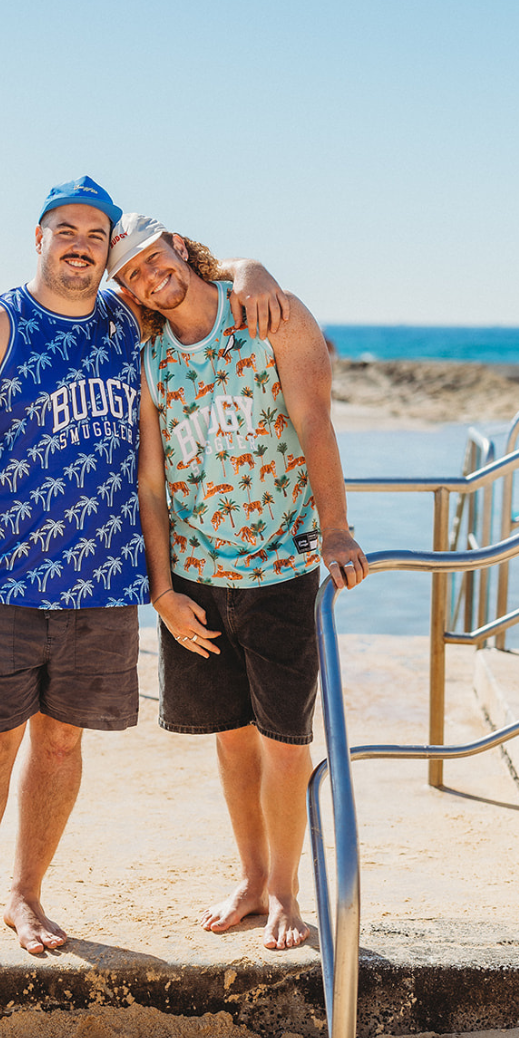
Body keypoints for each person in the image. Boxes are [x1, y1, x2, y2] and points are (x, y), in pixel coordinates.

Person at [0, 177, 286, 997]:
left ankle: (25, 893)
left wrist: (253, 271)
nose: (81, 242)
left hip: (102, 590)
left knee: (64, 746)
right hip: (1, 584)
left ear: (110, 251)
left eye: (96, 232)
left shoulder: (127, 324)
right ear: (38, 237)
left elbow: (204, 277)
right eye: (65, 228)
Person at [109, 213, 368, 951]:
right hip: (197, 577)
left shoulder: (267, 315)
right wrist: (162, 590)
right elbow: (151, 486)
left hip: (281, 569)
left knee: (284, 742)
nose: (149, 277)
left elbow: (316, 423)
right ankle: (253, 880)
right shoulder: (153, 359)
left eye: (155, 259)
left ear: (180, 250)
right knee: (229, 741)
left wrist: (337, 527)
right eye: (132, 274)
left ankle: (287, 892)